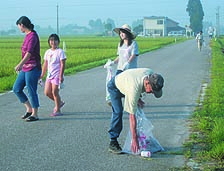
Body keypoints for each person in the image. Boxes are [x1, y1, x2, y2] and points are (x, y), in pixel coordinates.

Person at [107, 68, 164, 154]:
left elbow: (137, 84)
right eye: (152, 91)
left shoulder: (151, 74)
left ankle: (143, 141)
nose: (152, 93)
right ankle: (113, 141)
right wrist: (134, 139)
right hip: (115, 87)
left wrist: (138, 98)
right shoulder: (133, 89)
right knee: (118, 112)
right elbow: (132, 116)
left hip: (127, 82)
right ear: (147, 83)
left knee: (134, 102)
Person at [13, 16, 42, 122]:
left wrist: (20, 64)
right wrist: (22, 66)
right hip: (26, 67)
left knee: (31, 90)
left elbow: (29, 53)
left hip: (33, 67)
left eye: (19, 27)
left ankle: (35, 114)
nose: (19, 29)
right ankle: (29, 109)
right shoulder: (27, 36)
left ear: (22, 25)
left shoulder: (33, 36)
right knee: (16, 88)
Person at [40, 34, 66, 116]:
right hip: (49, 76)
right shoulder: (48, 52)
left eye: (55, 40)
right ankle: (59, 102)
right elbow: (45, 64)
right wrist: (42, 74)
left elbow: (62, 64)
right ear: (49, 42)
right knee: (47, 92)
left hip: (57, 75)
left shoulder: (60, 52)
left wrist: (61, 76)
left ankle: (58, 110)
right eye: (51, 40)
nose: (53, 42)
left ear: (58, 42)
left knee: (55, 92)